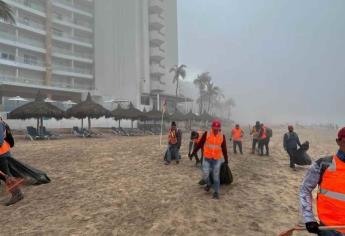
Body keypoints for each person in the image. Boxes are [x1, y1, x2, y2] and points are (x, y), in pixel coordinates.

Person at [300, 127, 345, 236]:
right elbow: (305, 189)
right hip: (329, 229)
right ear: (338, 142)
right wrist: (309, 218)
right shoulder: (323, 164)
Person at [190, 119, 229, 199]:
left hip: (216, 160)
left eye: (217, 129)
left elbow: (224, 149)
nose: (215, 131)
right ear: (212, 128)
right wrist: (193, 154)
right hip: (207, 158)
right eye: (214, 129)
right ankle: (208, 184)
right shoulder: (207, 134)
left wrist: (226, 160)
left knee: (216, 176)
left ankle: (216, 192)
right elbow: (199, 144)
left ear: (219, 129)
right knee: (205, 175)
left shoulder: (222, 136)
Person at [0, 117, 24, 206]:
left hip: (2, 154)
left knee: (6, 175)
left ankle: (17, 194)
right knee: (4, 175)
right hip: (3, 153)